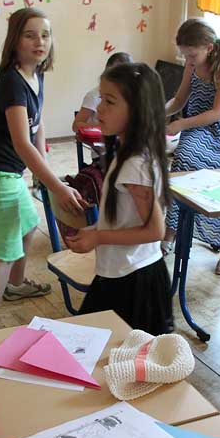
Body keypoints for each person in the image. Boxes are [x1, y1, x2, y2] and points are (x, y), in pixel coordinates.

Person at [0, 8, 84, 331]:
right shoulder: (11, 84)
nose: (39, 42)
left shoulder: (36, 74)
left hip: (8, 172)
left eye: (45, 35)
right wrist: (57, 186)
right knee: (4, 252)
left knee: (29, 224)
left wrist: (40, 168)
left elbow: (37, 123)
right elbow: (21, 143)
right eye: (30, 35)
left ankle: (15, 285)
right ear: (15, 41)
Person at [67, 63, 173, 335]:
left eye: (110, 101)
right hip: (121, 272)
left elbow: (155, 231)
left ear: (137, 110)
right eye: (101, 98)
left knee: (117, 352)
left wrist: (99, 237)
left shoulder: (135, 163)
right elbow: (128, 218)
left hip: (135, 280)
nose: (99, 108)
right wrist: (96, 229)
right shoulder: (125, 152)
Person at [161, 19, 220, 275]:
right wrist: (157, 112)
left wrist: (180, 124)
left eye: (192, 55)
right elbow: (179, 99)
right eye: (185, 55)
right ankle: (172, 230)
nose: (188, 60)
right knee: (184, 160)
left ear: (209, 48)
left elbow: (217, 113)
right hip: (199, 127)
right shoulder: (191, 65)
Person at [71, 52, 133, 132]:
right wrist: (101, 126)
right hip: (100, 137)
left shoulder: (130, 95)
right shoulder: (93, 95)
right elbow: (75, 126)